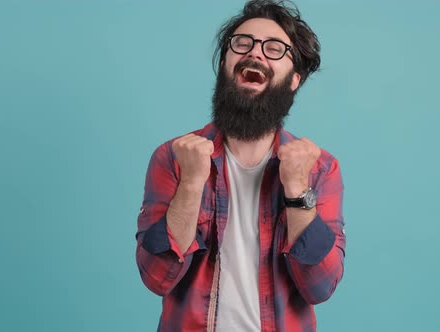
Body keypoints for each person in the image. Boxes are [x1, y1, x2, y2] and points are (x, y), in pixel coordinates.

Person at [136, 1, 346, 331]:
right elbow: (156, 277)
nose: (255, 53)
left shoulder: (319, 168)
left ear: (293, 80)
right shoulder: (175, 157)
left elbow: (319, 286)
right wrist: (192, 182)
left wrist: (297, 190)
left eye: (275, 48)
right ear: (224, 63)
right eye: (242, 43)